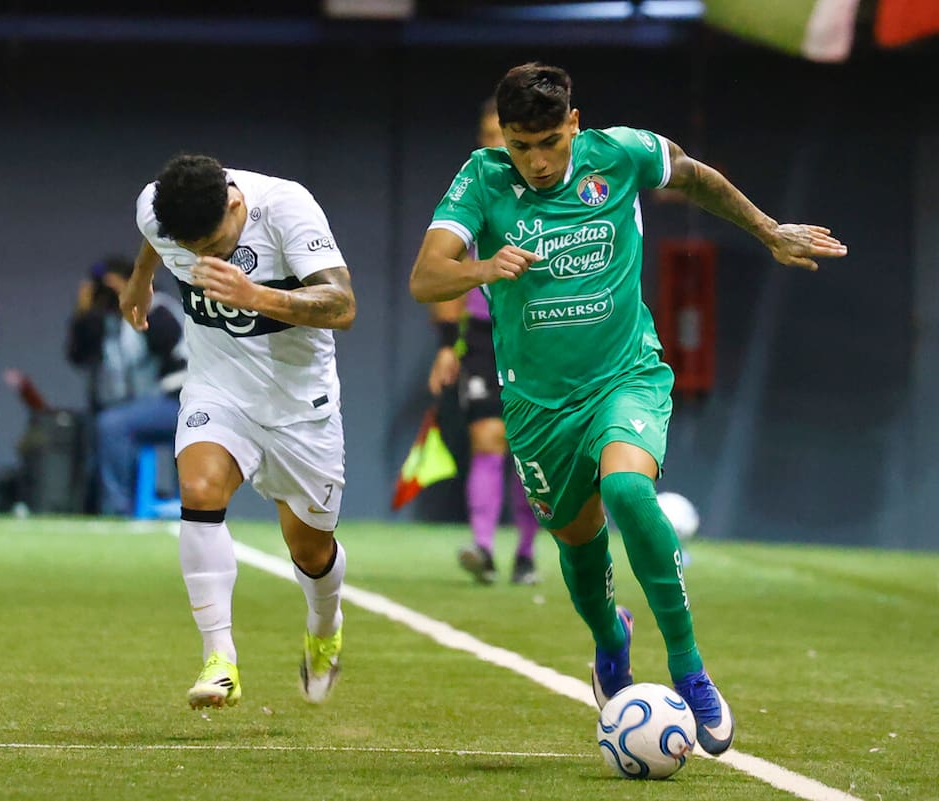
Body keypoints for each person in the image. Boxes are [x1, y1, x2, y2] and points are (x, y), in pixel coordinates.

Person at [408, 62, 846, 754]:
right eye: (522, 146)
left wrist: (768, 230)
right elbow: (425, 274)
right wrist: (483, 267)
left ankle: (690, 667)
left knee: (627, 490)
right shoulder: (482, 178)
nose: (537, 160)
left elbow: (694, 175)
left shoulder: (621, 153)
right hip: (539, 404)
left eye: (549, 141)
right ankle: (611, 640)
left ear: (573, 125)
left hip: (625, 375)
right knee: (579, 550)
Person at [120, 154, 355, 709]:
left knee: (310, 549)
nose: (204, 257)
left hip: (301, 403)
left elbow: (343, 304)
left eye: (214, 243)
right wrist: (140, 279)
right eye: (191, 247)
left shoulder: (284, 208)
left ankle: (325, 626)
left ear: (233, 202)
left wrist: (257, 296)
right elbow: (153, 237)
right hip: (218, 387)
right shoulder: (158, 211)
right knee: (199, 491)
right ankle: (220, 659)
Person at [428, 98, 541, 586]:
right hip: (481, 337)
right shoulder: (471, 193)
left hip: (537, 334)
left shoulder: (547, 191)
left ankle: (527, 553)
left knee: (530, 448)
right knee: (488, 438)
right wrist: (443, 345)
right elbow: (441, 270)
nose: (494, 140)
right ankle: (483, 546)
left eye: (504, 132)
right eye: (487, 131)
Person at [66, 255, 186, 516]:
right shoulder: (109, 322)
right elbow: (77, 355)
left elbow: (173, 352)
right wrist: (84, 310)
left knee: (112, 425)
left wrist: (133, 297)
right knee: (102, 424)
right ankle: (112, 505)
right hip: (143, 406)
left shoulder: (158, 308)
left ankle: (118, 510)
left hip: (182, 403)